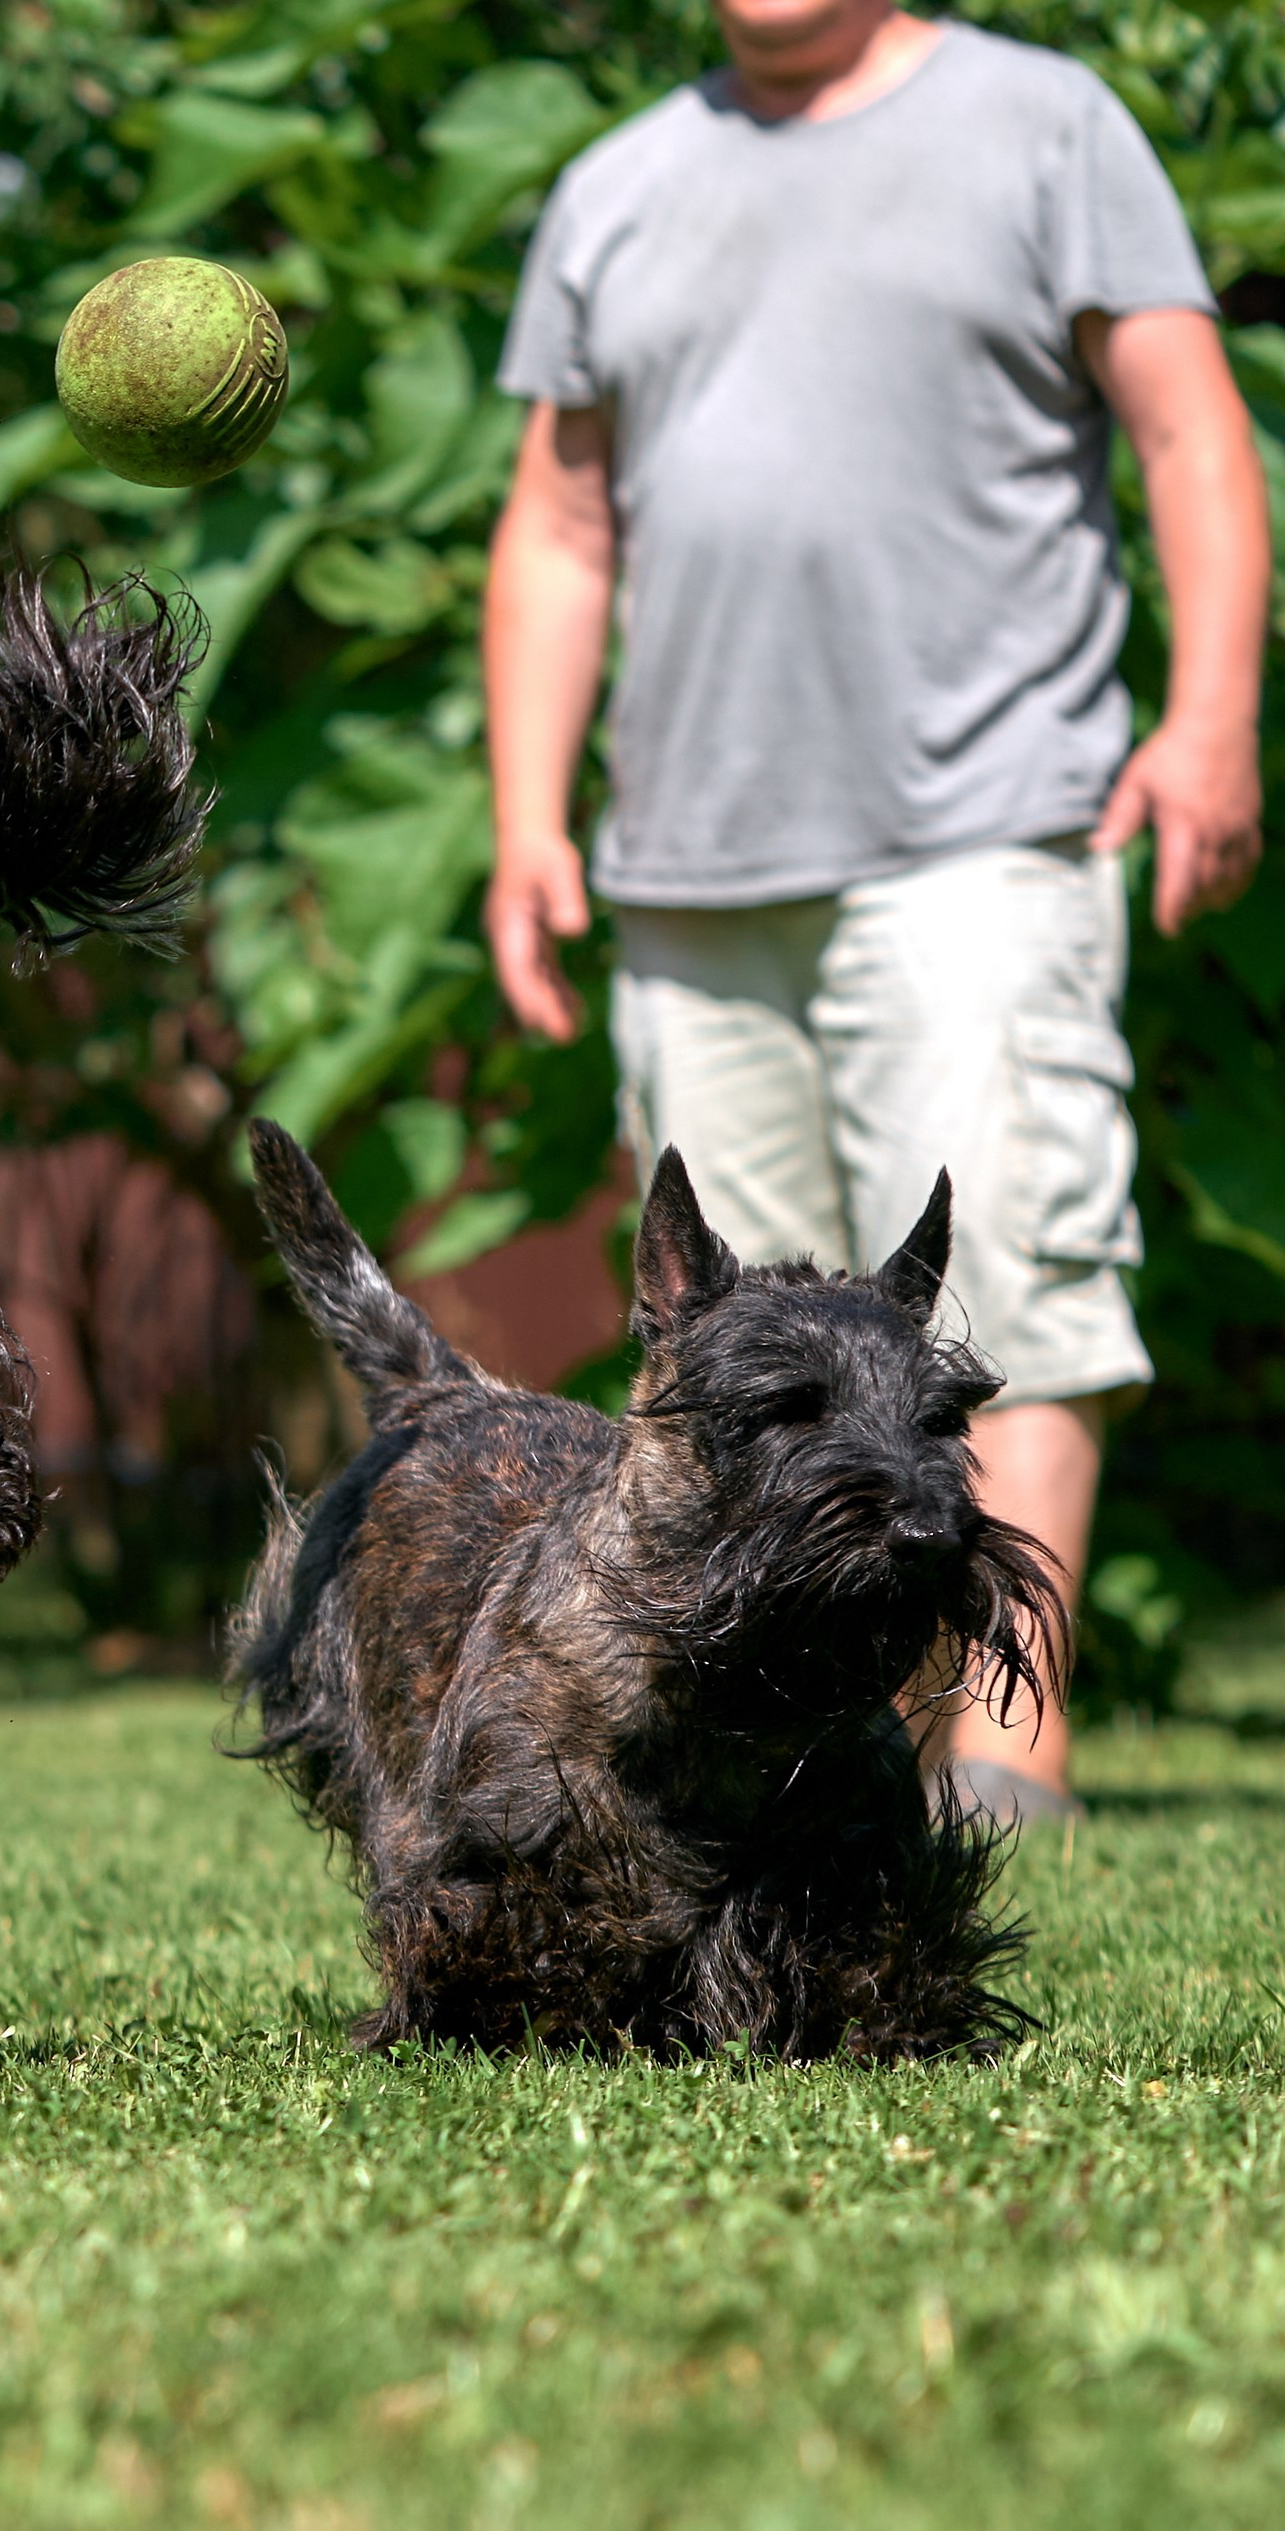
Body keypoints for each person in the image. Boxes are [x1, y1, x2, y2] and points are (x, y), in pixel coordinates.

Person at [481, 0, 1269, 1821]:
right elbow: (560, 523)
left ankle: (1000, 1766)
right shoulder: (617, 185)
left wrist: (1212, 714)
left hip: (986, 828)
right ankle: (802, 1774)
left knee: (1015, 1290)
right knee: (736, 1360)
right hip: (690, 865)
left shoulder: (1045, 126)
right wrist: (530, 817)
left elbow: (1192, 433)